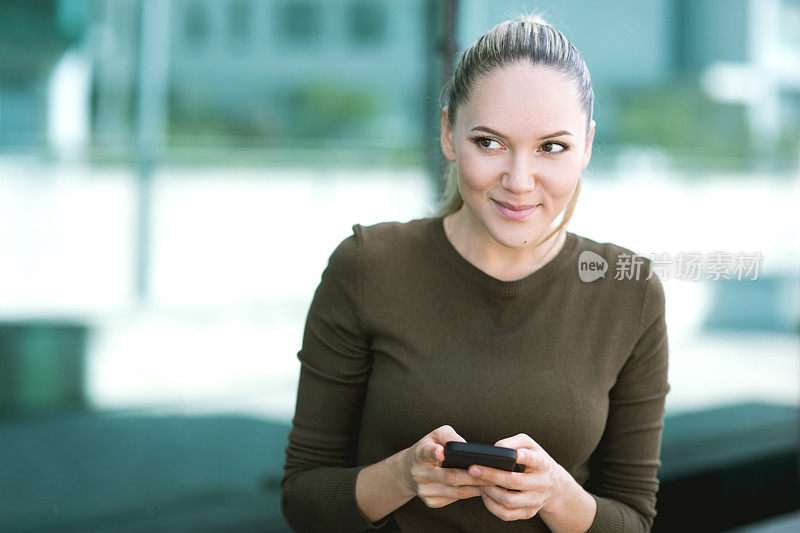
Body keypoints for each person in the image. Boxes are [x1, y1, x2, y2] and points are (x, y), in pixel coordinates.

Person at [280, 14, 670, 533]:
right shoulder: (367, 267)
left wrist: (557, 496)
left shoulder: (629, 291)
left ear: (587, 147)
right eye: (489, 142)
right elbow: (301, 500)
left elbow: (634, 521)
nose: (519, 180)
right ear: (447, 133)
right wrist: (403, 476)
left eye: (552, 147)